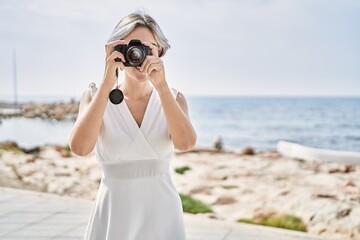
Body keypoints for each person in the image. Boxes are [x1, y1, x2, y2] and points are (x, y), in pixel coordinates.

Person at [68, 10, 197, 240]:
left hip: (162, 216)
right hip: (113, 217)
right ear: (116, 51)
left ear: (160, 51)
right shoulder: (94, 96)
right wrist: (108, 81)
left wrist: (162, 87)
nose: (140, 54)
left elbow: (186, 143)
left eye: (148, 47)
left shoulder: (174, 99)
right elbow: (80, 148)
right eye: (132, 46)